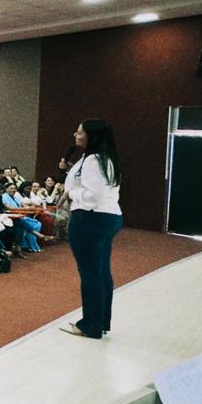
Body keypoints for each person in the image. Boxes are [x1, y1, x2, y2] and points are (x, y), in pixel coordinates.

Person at [60, 119, 123, 339]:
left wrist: (70, 193)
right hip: (107, 217)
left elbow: (93, 195)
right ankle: (100, 322)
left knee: (90, 273)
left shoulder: (93, 160)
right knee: (101, 271)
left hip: (90, 218)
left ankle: (91, 325)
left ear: (92, 136)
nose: (75, 135)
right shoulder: (105, 158)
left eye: (80, 132)